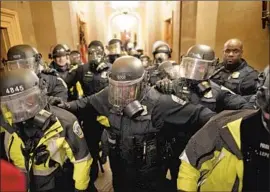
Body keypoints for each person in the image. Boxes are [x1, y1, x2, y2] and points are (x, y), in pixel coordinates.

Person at [51, 56, 216, 192]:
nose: (122, 94)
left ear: (142, 83)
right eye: (117, 87)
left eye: (129, 88)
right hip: (119, 172)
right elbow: (84, 104)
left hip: (150, 178)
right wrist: (65, 105)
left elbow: (202, 116)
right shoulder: (109, 95)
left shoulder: (161, 102)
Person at [154, 44, 254, 190]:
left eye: (200, 67)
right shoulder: (172, 86)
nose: (194, 71)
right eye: (190, 65)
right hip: (173, 147)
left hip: (202, 148)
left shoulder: (216, 91)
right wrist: (160, 88)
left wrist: (222, 123)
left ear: (210, 69)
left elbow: (245, 108)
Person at [177, 65, 269, 191]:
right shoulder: (225, 124)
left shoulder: (217, 91)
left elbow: (238, 101)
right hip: (191, 141)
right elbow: (190, 161)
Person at [0, 69, 93, 192]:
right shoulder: (5, 122)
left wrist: (80, 189)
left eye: (27, 99)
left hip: (55, 185)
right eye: (14, 103)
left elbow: (82, 160)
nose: (21, 107)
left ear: (39, 93)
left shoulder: (64, 121)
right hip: (19, 184)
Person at [64, 40, 111, 183]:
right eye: (91, 53)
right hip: (89, 112)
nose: (94, 55)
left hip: (107, 114)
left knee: (112, 146)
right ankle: (93, 174)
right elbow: (65, 84)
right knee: (91, 146)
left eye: (98, 52)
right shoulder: (82, 69)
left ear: (104, 53)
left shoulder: (112, 68)